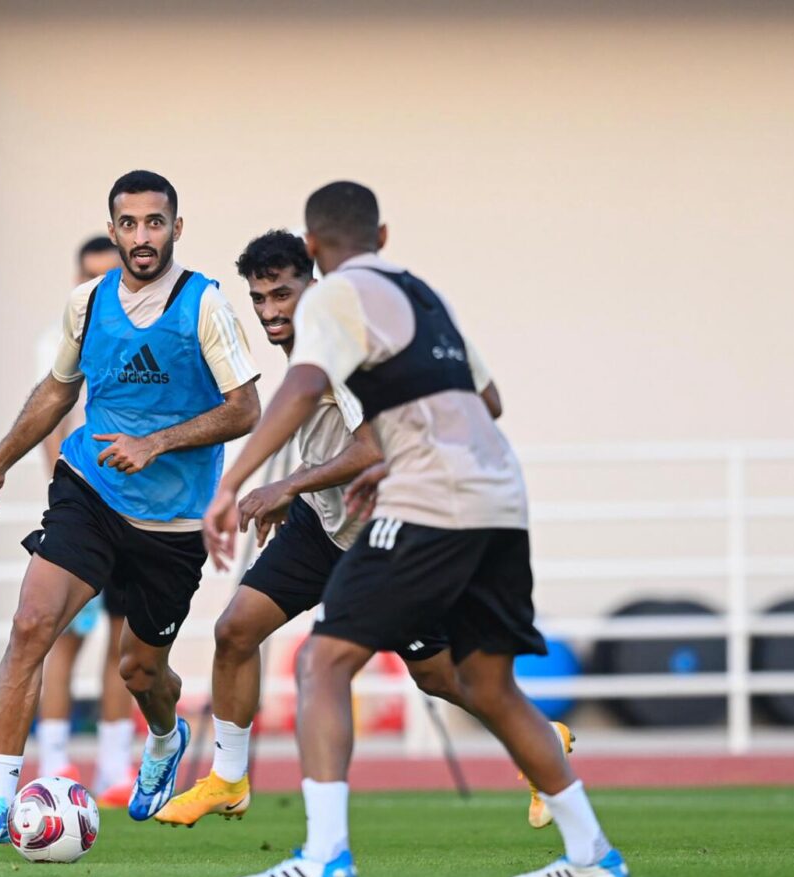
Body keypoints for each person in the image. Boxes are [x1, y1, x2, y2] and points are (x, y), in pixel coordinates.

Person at [204, 182, 628, 877]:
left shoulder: (335, 296)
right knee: (488, 686)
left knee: (324, 664)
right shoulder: (427, 297)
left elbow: (304, 384)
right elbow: (487, 401)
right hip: (500, 494)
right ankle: (592, 855)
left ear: (313, 250)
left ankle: (324, 856)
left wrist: (235, 482)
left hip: (435, 500)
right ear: (385, 236)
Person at [156, 230, 571, 830]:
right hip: (322, 524)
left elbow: (371, 447)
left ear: (314, 286)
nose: (271, 310)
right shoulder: (308, 351)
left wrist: (284, 484)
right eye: (260, 298)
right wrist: (297, 487)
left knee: (437, 677)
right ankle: (228, 778)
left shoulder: (343, 348)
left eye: (282, 294)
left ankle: (543, 740)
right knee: (236, 629)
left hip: (383, 534)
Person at [0, 170, 260, 850]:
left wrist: (157, 442)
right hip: (89, 491)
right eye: (130, 223)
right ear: (114, 228)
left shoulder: (204, 305)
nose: (142, 236)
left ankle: (164, 736)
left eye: (156, 223)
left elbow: (246, 408)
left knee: (139, 671)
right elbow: (57, 392)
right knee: (33, 624)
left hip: (173, 523)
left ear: (176, 228)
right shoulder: (87, 303)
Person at [32, 236, 137, 807]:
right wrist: (68, 500)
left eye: (108, 274)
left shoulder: (142, 334)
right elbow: (53, 422)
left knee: (124, 640)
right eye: (89, 276)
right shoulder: (60, 339)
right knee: (63, 634)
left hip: (135, 509)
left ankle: (116, 763)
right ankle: (54, 760)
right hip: (83, 509)